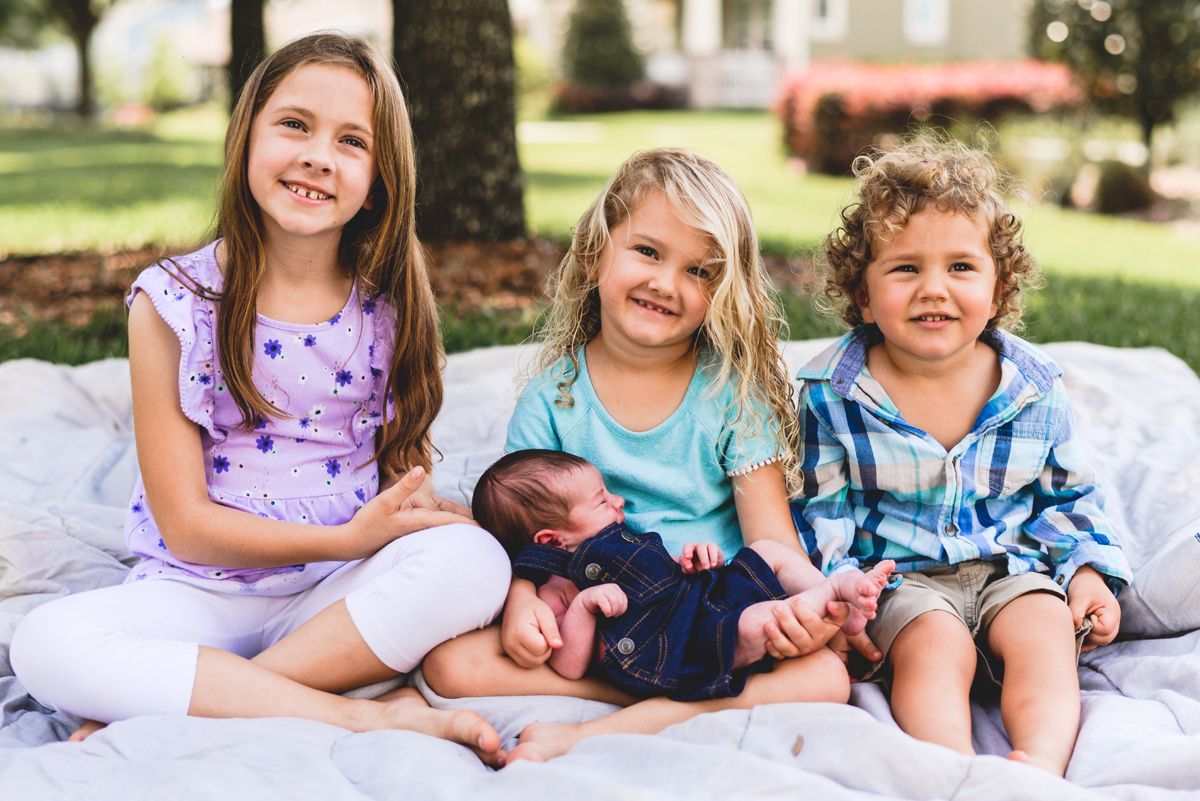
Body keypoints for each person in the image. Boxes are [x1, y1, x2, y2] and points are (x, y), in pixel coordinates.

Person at [9, 34, 511, 764]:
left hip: (335, 596)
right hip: (199, 593)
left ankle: (219, 698)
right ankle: (358, 714)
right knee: (45, 645)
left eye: (351, 140)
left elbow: (403, 482)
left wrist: (426, 520)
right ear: (246, 137)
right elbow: (185, 526)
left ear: (378, 179)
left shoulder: (389, 307)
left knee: (477, 562)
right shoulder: (173, 303)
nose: (317, 155)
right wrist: (346, 537)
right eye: (295, 124)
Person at [423, 148, 859, 764]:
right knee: (449, 663)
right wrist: (524, 601)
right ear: (596, 252)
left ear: (723, 293)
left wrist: (804, 613)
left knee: (825, 681)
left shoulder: (730, 395)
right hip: (600, 626)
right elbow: (524, 535)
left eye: (700, 271)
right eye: (648, 252)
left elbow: (773, 543)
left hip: (713, 617)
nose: (665, 283)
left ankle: (602, 724)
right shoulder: (554, 397)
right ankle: (659, 690)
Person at [791, 137, 1132, 776]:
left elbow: (1066, 495)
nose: (933, 289)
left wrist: (1088, 569)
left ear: (999, 289)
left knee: (1046, 632)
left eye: (961, 267)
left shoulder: (1032, 388)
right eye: (904, 269)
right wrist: (840, 602)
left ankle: (1039, 769)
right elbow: (818, 513)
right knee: (933, 646)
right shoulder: (833, 394)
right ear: (863, 295)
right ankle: (955, 770)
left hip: (1010, 567)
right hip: (902, 581)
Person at [473, 449, 895, 700]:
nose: (618, 501)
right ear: (549, 540)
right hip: (675, 647)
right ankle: (831, 602)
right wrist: (584, 607)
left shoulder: (617, 538)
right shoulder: (556, 592)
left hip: (699, 597)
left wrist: (696, 561)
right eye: (602, 501)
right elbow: (568, 667)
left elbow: (659, 576)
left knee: (766, 553)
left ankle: (832, 588)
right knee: (751, 627)